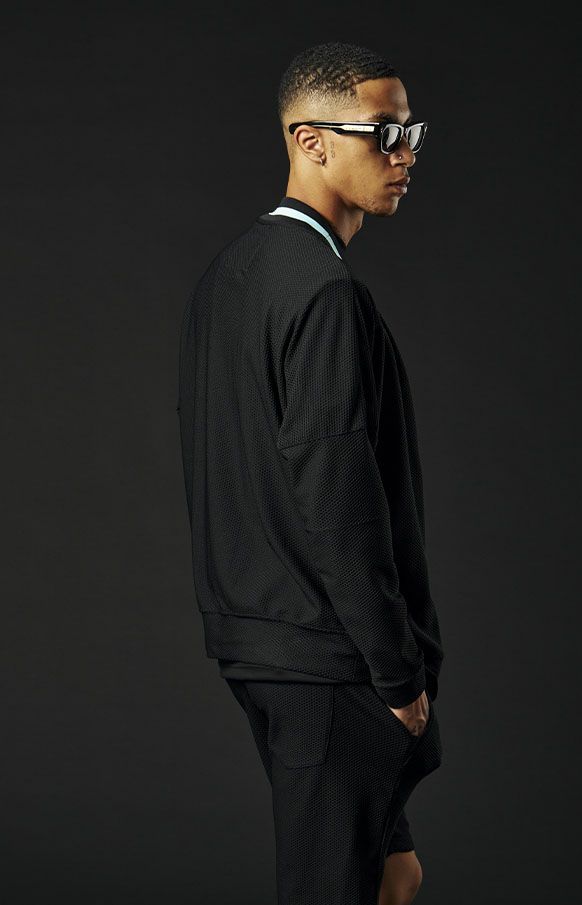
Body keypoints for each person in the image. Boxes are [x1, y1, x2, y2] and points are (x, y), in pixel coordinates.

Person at [177, 40, 445, 905]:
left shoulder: (229, 277)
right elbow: (338, 496)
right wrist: (396, 673)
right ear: (311, 140)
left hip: (256, 641)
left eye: (411, 132)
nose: (404, 154)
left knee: (393, 874)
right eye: (383, 133)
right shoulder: (324, 292)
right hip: (327, 660)